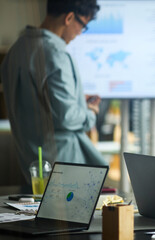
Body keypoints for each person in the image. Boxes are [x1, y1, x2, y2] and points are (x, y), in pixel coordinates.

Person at [0, 0, 107, 182]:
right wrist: (90, 112)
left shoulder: (15, 51)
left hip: (30, 165)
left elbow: (36, 102)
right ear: (69, 17)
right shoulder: (56, 53)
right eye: (83, 26)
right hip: (64, 166)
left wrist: (77, 100)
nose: (80, 33)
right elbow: (66, 118)